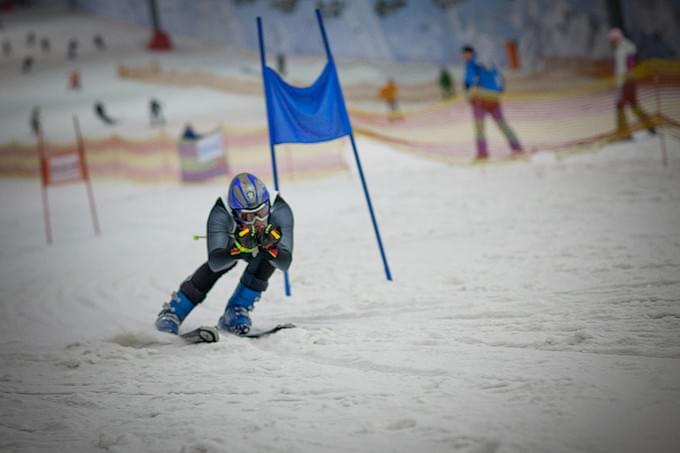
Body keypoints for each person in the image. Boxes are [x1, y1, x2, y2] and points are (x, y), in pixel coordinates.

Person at [155, 173, 294, 336]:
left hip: (259, 250)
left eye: (262, 212)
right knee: (222, 265)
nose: (257, 221)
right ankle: (174, 311)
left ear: (269, 205)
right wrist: (238, 247)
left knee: (267, 260)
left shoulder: (280, 208)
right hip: (232, 242)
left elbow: (285, 263)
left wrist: (269, 247)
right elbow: (215, 262)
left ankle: (236, 310)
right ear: (235, 213)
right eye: (248, 216)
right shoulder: (222, 211)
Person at [461, 45, 522, 160]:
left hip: (480, 100)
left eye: (465, 54)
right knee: (502, 125)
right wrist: (497, 92)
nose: (464, 56)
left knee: (480, 128)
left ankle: (482, 153)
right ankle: (517, 148)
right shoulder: (491, 65)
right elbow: (501, 81)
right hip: (494, 99)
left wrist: (469, 96)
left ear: (469, 54)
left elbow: (471, 82)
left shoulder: (472, 65)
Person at [608, 28, 655, 138]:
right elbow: (615, 66)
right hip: (620, 82)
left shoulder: (626, 48)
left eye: (612, 40)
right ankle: (626, 132)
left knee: (628, 105)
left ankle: (626, 132)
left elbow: (631, 64)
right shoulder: (618, 49)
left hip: (627, 82)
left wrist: (630, 74)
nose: (611, 42)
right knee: (623, 105)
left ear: (616, 39)